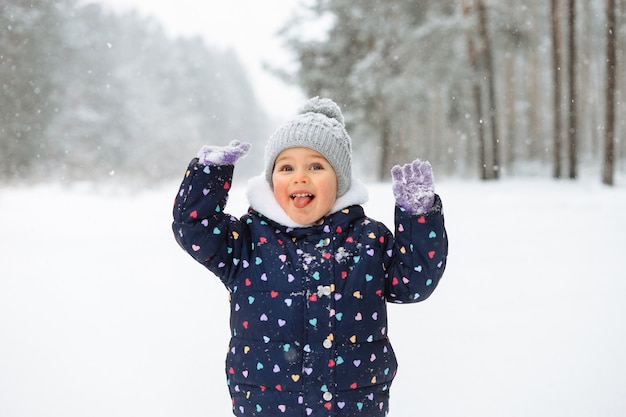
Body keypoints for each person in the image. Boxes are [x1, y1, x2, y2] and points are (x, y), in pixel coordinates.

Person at [172, 97, 448, 417]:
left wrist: (419, 216)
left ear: (340, 180)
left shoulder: (368, 241)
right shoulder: (247, 242)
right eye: (286, 167)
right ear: (271, 179)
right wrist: (208, 174)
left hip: (354, 406)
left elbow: (415, 282)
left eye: (316, 166)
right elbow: (194, 229)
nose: (300, 177)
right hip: (268, 408)